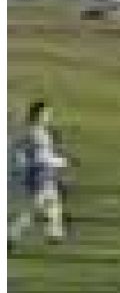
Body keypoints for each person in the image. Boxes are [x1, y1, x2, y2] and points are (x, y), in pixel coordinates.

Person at [9, 100, 68, 244]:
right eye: (46, 113)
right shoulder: (37, 133)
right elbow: (41, 157)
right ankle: (10, 236)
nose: (49, 116)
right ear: (38, 115)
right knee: (35, 209)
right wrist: (61, 162)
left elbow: (19, 150)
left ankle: (54, 234)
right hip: (39, 176)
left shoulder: (34, 131)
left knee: (53, 203)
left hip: (42, 175)